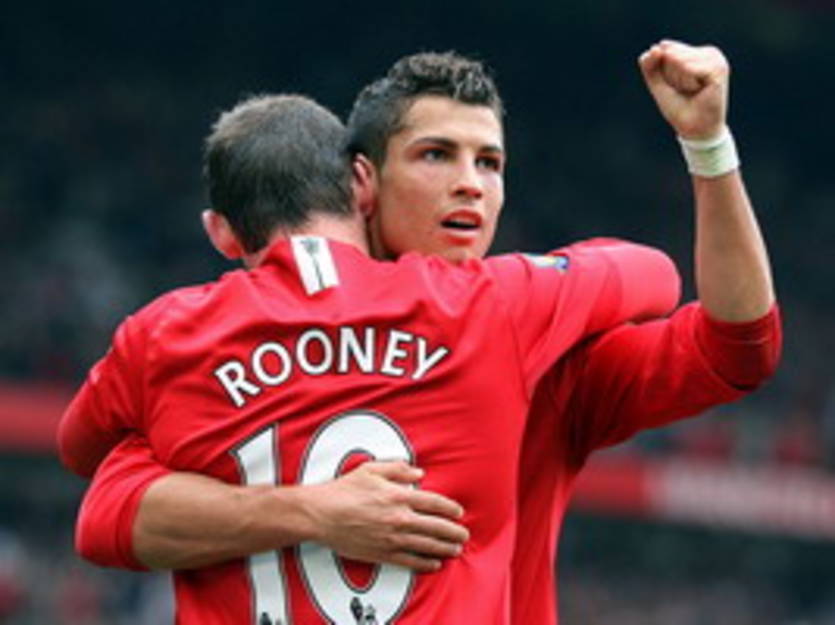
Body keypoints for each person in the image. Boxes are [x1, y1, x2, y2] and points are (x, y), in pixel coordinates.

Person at [63, 41, 780, 624]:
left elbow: (738, 348)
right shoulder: (507, 311)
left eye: (489, 162)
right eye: (436, 155)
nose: (470, 183)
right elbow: (104, 514)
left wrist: (709, 147)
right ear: (362, 184)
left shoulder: (534, 345)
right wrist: (310, 512)